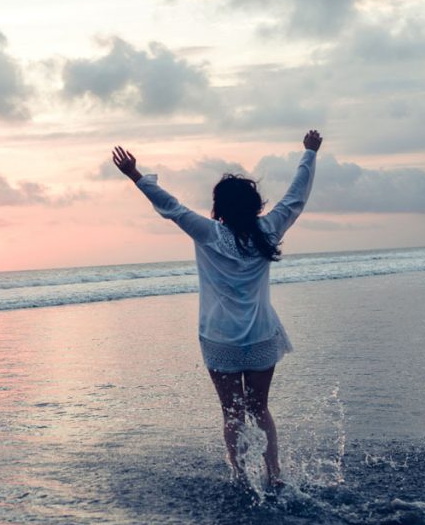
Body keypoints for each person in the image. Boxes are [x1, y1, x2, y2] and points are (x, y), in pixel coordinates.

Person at [112, 131, 322, 487]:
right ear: (255, 205)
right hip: (259, 336)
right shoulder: (268, 229)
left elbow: (171, 206)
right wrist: (309, 153)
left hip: (219, 338)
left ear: (218, 208)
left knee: (232, 413)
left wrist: (135, 174)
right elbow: (295, 198)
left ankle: (240, 477)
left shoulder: (208, 232)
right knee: (259, 409)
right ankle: (274, 475)